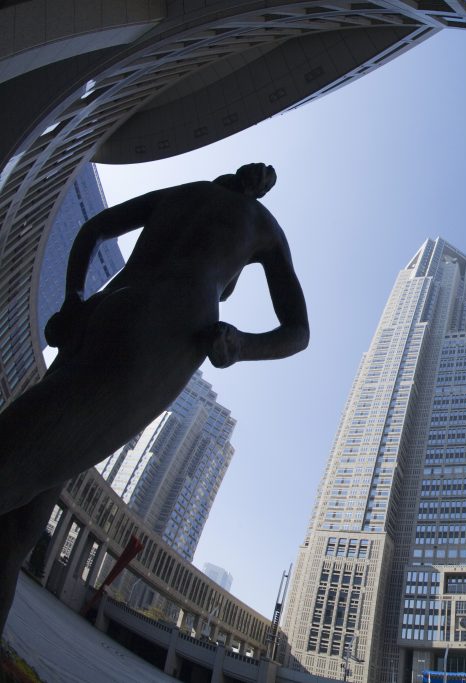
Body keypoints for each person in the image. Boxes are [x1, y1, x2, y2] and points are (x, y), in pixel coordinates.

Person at [0, 163, 309, 633]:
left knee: (22, 523)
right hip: (166, 326)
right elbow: (298, 332)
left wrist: (73, 299)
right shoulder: (262, 226)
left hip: (102, 309)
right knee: (21, 461)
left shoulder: (186, 192)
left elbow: (95, 229)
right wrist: (242, 344)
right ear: (257, 191)